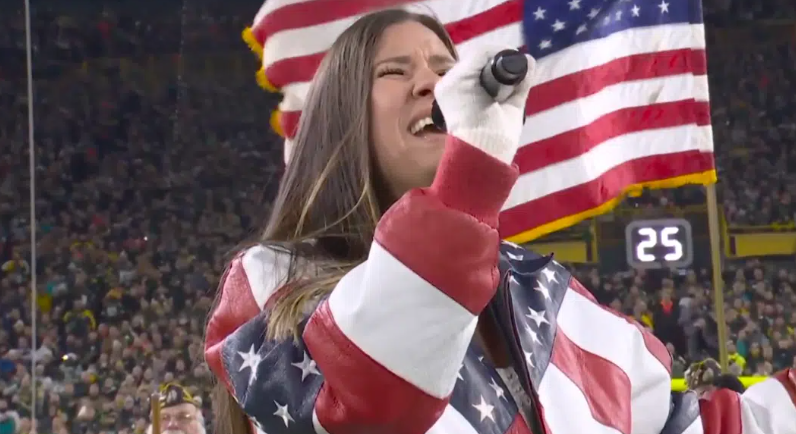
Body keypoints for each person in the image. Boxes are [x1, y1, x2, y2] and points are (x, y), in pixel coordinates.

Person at [204, 8, 796, 434]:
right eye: (393, 71)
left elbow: (694, 425)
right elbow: (373, 403)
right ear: (339, 116)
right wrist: (466, 184)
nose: (431, 83)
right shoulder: (272, 281)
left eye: (443, 66)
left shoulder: (547, 290)